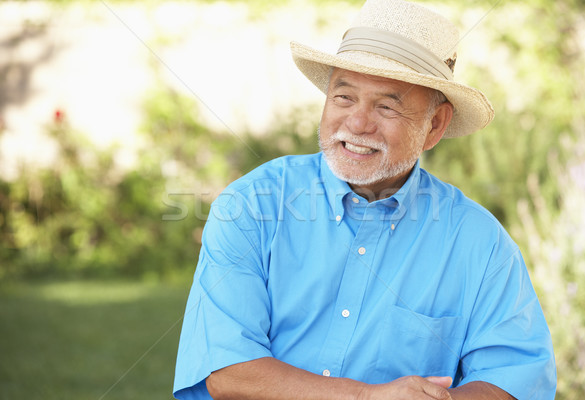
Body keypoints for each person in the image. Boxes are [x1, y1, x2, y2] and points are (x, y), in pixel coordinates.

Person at [173, 0, 557, 399]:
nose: (357, 124)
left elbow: (514, 381)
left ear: (435, 125)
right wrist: (368, 397)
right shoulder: (251, 205)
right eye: (343, 98)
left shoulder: (480, 242)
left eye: (387, 106)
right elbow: (227, 370)